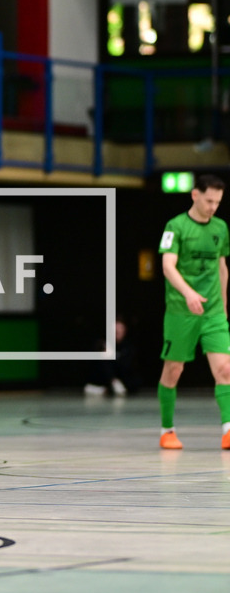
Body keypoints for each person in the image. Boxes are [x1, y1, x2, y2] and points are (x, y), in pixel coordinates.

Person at [155, 174, 230, 450]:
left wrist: (223, 306)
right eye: (209, 201)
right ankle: (167, 430)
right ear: (195, 195)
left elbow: (222, 268)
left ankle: (228, 430)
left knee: (225, 369)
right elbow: (168, 266)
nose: (213, 207)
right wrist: (188, 293)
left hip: (213, 312)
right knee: (174, 369)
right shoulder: (175, 226)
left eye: (218, 202)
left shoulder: (220, 228)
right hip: (181, 311)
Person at [84, 316, 137, 397]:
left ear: (125, 331)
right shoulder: (103, 345)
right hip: (109, 380)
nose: (118, 331)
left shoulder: (129, 347)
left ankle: (111, 388)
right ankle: (107, 388)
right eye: (115, 330)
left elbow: (127, 366)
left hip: (123, 378)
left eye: (120, 329)